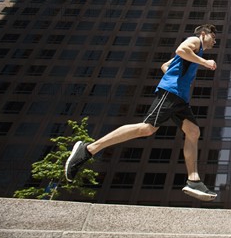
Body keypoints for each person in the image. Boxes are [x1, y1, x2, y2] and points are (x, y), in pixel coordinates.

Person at [64, 24, 218, 201]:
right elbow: (181, 50)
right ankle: (88, 150)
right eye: (213, 37)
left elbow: (165, 65)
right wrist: (204, 63)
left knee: (193, 131)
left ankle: (193, 180)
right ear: (204, 34)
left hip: (180, 99)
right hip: (172, 93)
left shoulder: (196, 52)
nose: (214, 41)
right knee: (147, 128)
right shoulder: (194, 41)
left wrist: (177, 76)